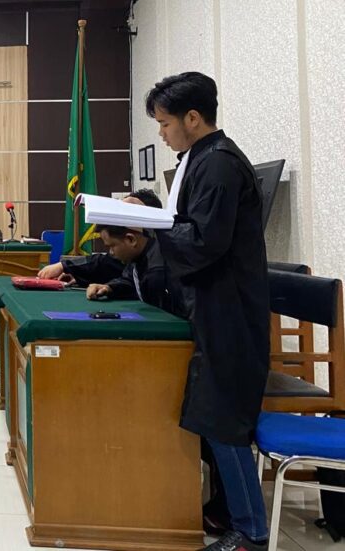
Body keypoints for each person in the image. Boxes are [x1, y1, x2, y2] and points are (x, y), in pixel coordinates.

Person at [146, 72, 270, 551]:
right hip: (214, 307)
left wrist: (151, 225)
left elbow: (202, 241)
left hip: (228, 312)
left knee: (223, 422)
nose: (162, 133)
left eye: (165, 123)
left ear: (193, 118)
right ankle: (224, 510)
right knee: (212, 417)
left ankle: (251, 532)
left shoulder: (218, 164)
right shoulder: (201, 159)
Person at [38, 189, 162, 286]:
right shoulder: (141, 254)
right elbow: (121, 275)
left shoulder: (157, 266)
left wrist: (64, 266)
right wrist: (105, 287)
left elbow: (106, 263)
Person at [83, 224, 187, 319]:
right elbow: (130, 281)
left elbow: (163, 321)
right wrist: (109, 288)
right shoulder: (141, 256)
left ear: (131, 239)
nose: (111, 252)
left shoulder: (156, 272)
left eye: (112, 246)